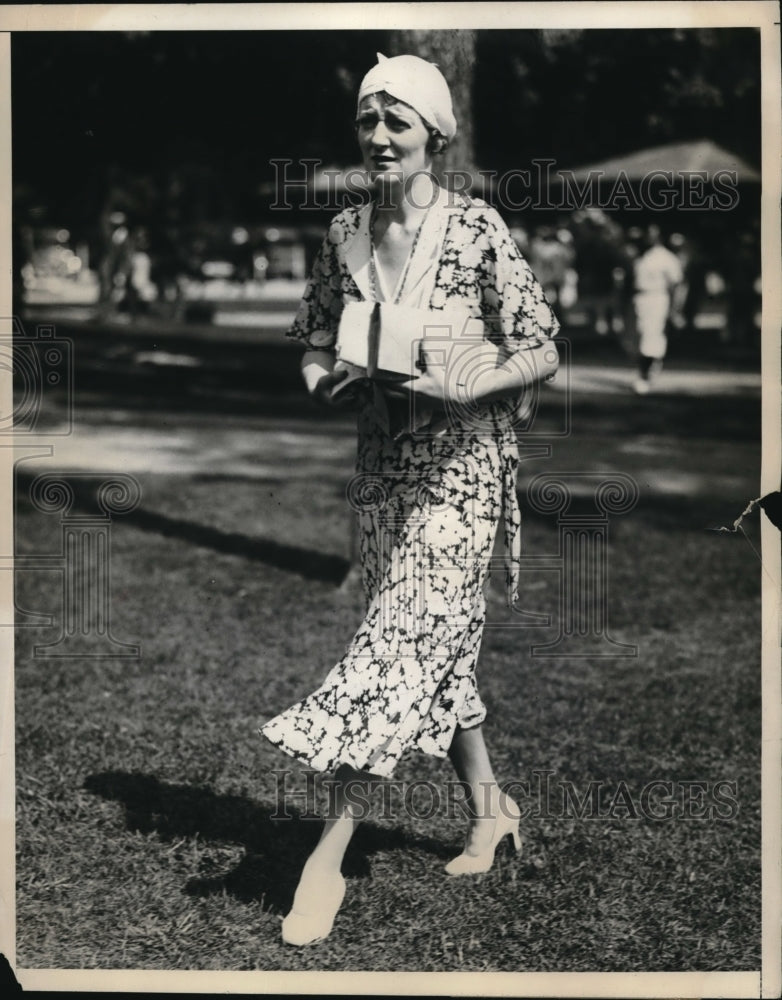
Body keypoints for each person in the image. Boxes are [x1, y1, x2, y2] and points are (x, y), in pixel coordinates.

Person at [260, 53, 559, 946]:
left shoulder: (475, 230)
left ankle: (328, 856)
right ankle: (491, 810)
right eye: (368, 122)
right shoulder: (344, 230)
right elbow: (315, 335)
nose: (381, 137)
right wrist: (325, 381)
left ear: (436, 132)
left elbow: (541, 345)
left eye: (399, 122)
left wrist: (467, 387)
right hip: (384, 472)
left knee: (396, 646)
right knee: (430, 644)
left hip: (466, 468)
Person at [631, 224, 684, 394]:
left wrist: (675, 310)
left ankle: (644, 377)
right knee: (639, 336)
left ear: (658, 237)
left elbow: (677, 285)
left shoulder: (666, 258)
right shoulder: (640, 256)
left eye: (651, 235)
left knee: (650, 336)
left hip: (657, 297)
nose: (647, 238)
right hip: (639, 298)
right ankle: (651, 367)